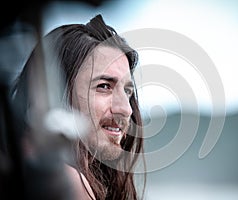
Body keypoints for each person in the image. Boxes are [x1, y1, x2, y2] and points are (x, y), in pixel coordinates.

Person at [9, 14, 146, 200]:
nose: (126, 109)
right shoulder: (66, 185)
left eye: (127, 92)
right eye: (104, 86)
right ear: (57, 93)